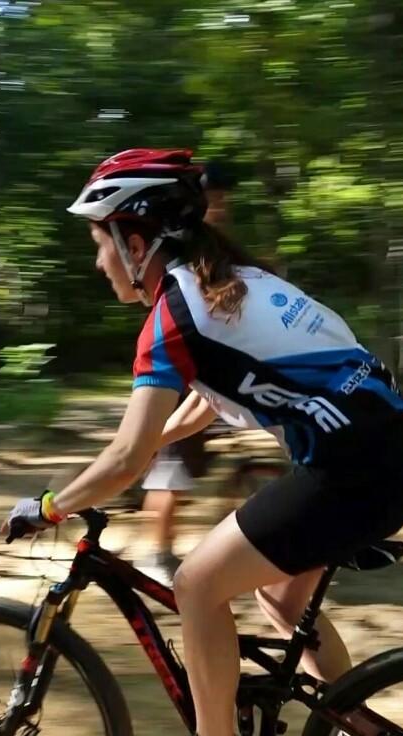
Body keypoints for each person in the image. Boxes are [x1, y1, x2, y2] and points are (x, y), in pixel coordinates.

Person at [1, 148, 403, 736]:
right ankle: (361, 734)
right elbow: (210, 397)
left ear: (134, 239)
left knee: (198, 584)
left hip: (350, 475)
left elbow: (122, 456)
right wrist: (152, 448)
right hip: (388, 457)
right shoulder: (240, 281)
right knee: (279, 596)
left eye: (99, 243)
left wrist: (51, 505)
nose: (97, 261)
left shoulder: (174, 317)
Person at [136, 161, 238, 585]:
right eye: (216, 199)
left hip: (196, 374)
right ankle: (156, 554)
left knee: (171, 467)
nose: (222, 207)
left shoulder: (208, 247)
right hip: (181, 374)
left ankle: (160, 553)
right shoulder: (188, 254)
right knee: (169, 474)